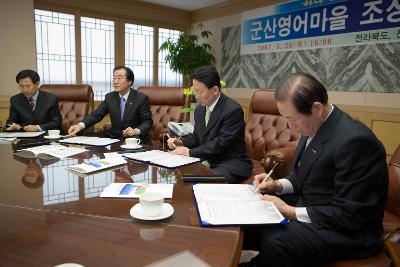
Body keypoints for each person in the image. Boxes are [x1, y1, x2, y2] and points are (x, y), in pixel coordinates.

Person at [241, 73, 388, 266]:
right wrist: (277, 185)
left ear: (316, 108)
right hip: (315, 206)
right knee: (250, 214)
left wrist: (289, 211)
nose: (290, 126)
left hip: (349, 231)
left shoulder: (356, 141)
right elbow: (302, 175)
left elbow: (349, 215)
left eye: (291, 119)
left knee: (277, 238)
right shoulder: (312, 124)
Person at [167, 66, 253, 183]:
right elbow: (197, 137)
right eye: (194, 91)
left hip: (229, 162)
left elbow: (221, 143)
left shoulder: (232, 110)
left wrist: (189, 152)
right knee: (178, 176)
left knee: (205, 183)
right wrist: (181, 142)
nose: (196, 96)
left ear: (215, 90)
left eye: (199, 92)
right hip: (206, 159)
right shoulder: (200, 110)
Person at [68, 66, 152, 142]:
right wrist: (80, 125)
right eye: (114, 78)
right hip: (114, 137)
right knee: (85, 138)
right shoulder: (110, 97)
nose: (115, 81)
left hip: (133, 138)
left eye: (119, 78)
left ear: (129, 81)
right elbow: (96, 115)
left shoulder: (141, 98)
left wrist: (135, 130)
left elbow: (147, 122)